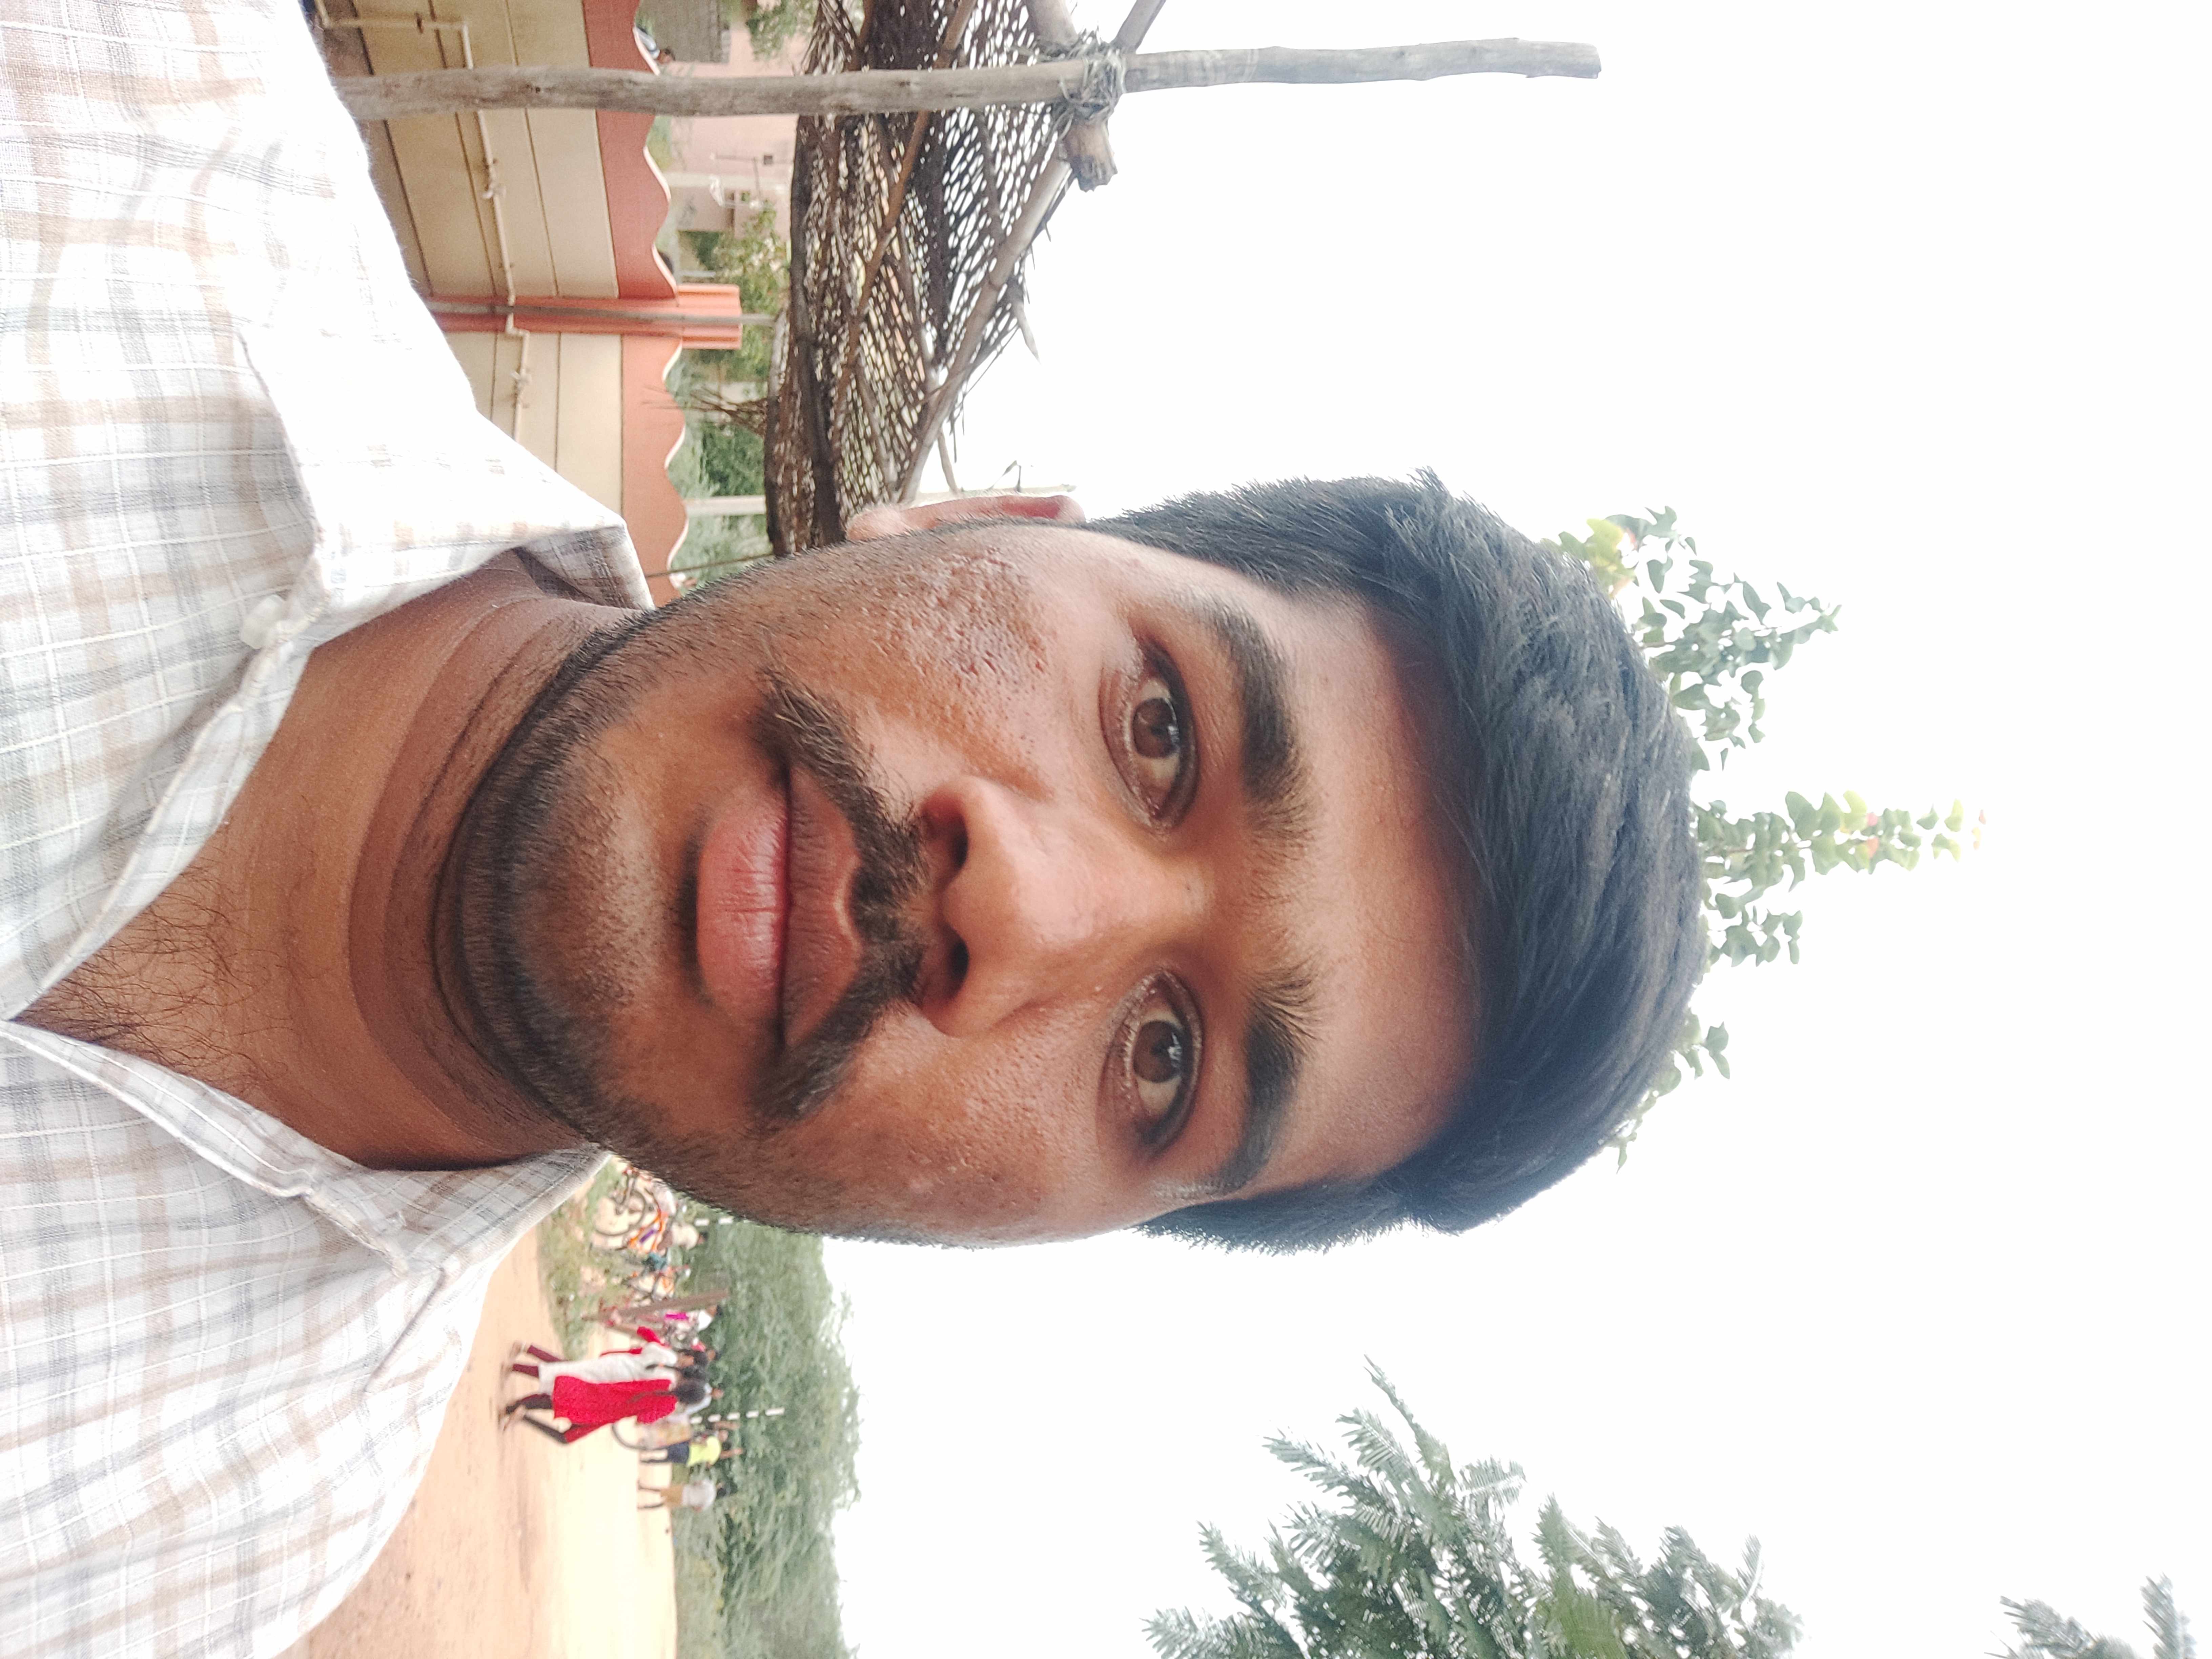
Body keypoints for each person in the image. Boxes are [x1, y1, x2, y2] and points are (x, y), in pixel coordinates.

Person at [0, 0, 1702, 1653]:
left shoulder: (213, 1541)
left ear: (1051, 1234)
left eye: (1166, 1057)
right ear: (971, 511)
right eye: (1160, 728)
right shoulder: (98, 94)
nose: (1022, 910)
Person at [504, 1374, 711, 1446]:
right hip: (609, 1412)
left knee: (562, 1400)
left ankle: (515, 1407)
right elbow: (643, 1419)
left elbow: (637, 1384)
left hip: (610, 1392)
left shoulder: (665, 1382)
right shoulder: (669, 1406)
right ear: (689, 1401)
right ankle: (523, 1417)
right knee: (567, 1437)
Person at [638, 1478, 719, 1514]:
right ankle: (644, 1507)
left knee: (663, 1491)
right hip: (685, 1502)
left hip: (684, 1491)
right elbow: (698, 1510)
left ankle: (643, 1488)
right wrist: (692, 1504)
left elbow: (697, 1483)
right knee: (664, 1504)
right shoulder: (710, 1502)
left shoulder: (710, 1486)